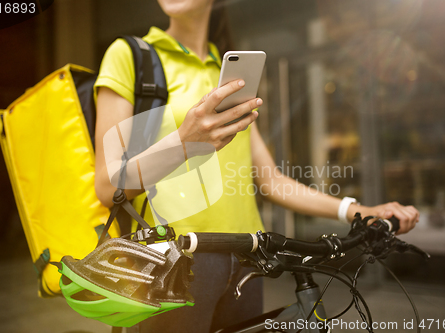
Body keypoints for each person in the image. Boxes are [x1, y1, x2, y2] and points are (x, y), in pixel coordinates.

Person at [93, 0, 420, 331]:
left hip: (250, 258)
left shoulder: (226, 73)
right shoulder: (130, 56)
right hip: (173, 263)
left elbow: (270, 180)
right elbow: (108, 185)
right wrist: (184, 141)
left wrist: (359, 211)